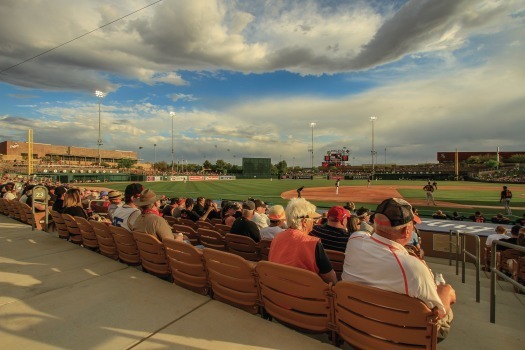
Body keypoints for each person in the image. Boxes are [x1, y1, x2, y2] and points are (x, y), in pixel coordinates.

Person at [342, 198, 456, 341]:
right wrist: (447, 293)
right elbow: (437, 313)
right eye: (412, 224)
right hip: (391, 336)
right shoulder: (412, 267)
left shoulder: (355, 239)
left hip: (352, 324)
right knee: (445, 296)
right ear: (407, 230)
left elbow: (367, 234)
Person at [269, 197, 337, 284]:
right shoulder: (312, 243)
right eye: (313, 219)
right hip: (303, 294)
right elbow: (331, 280)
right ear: (304, 221)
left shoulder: (277, 237)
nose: (314, 222)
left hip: (277, 291)